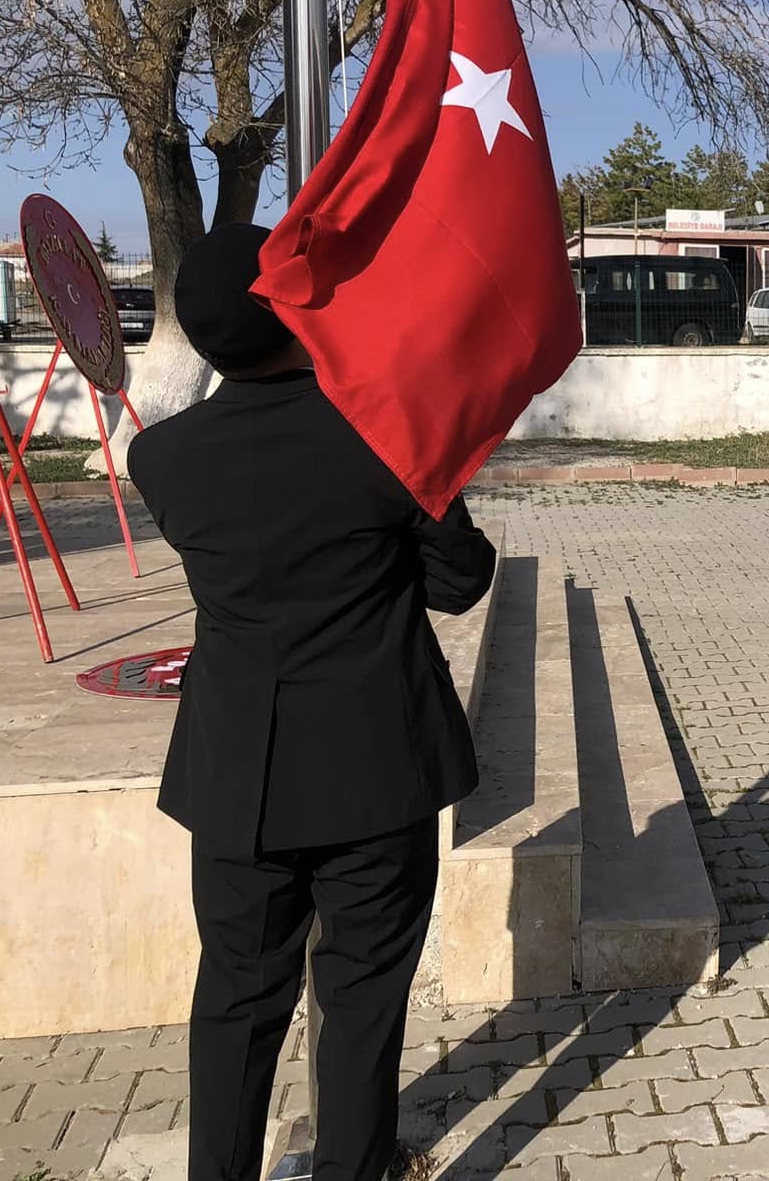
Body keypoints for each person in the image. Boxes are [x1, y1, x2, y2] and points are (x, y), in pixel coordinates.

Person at [127, 225, 497, 1181]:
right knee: (364, 990)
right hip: (376, 766)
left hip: (239, 774)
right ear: (300, 309)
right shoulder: (382, 433)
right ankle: (354, 1167)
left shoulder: (162, 459)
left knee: (238, 996)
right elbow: (461, 582)